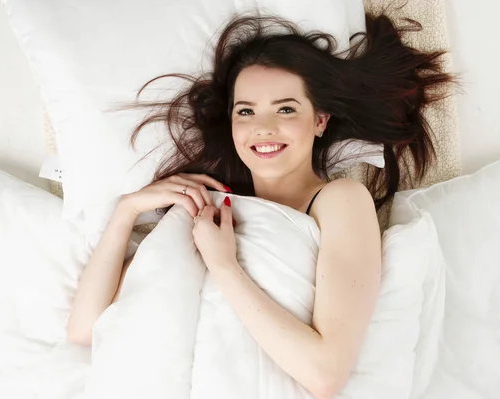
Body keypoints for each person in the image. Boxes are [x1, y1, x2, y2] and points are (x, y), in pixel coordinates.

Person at [67, 10, 453, 399]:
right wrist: (127, 211)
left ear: (319, 120)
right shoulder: (206, 214)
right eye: (245, 111)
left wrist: (224, 265)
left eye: (285, 109)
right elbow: (84, 329)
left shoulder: (341, 200)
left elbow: (324, 374)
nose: (262, 128)